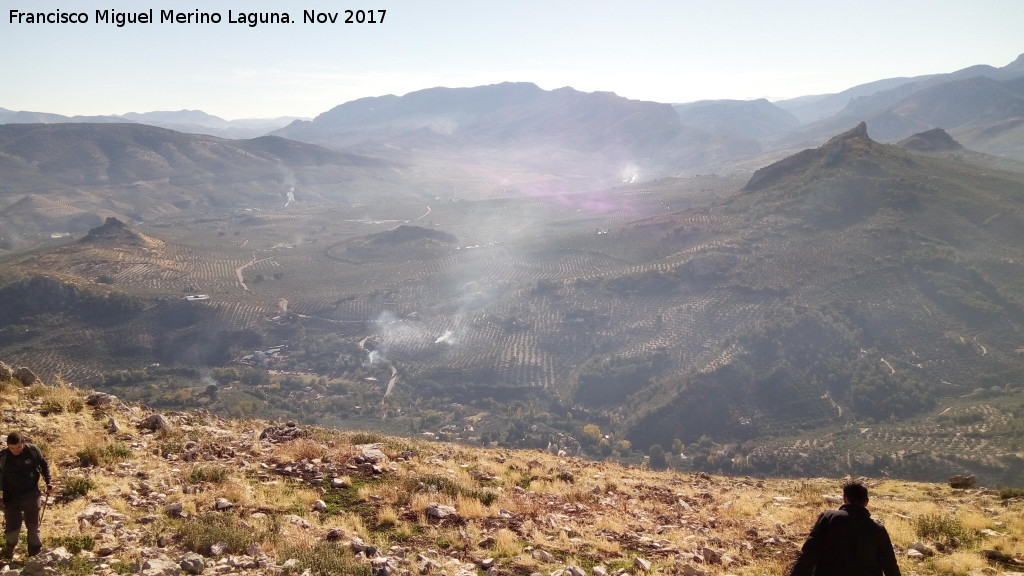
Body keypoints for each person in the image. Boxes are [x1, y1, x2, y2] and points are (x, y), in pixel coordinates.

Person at [788, 481, 901, 576]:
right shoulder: (878, 528)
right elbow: (890, 565)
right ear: (866, 502)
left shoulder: (829, 517)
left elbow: (809, 552)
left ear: (845, 498)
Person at [0, 432, 52, 559]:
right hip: (10, 497)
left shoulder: (32, 451)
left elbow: (44, 465)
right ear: (8, 446)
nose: (15, 451)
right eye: (12, 448)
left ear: (23, 443)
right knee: (13, 529)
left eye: (18, 447)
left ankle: (34, 555)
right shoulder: (3, 456)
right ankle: (8, 552)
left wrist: (49, 482)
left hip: (31, 493)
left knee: (33, 526)